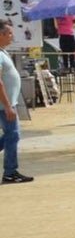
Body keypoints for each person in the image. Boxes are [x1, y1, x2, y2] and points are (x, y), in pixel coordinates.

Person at [0, 19, 32, 183]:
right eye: (10, 33)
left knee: (11, 135)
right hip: (3, 106)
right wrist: (7, 106)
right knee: (13, 135)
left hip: (6, 104)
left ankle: (10, 171)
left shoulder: (3, 51)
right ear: (1, 34)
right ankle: (10, 172)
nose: (12, 36)